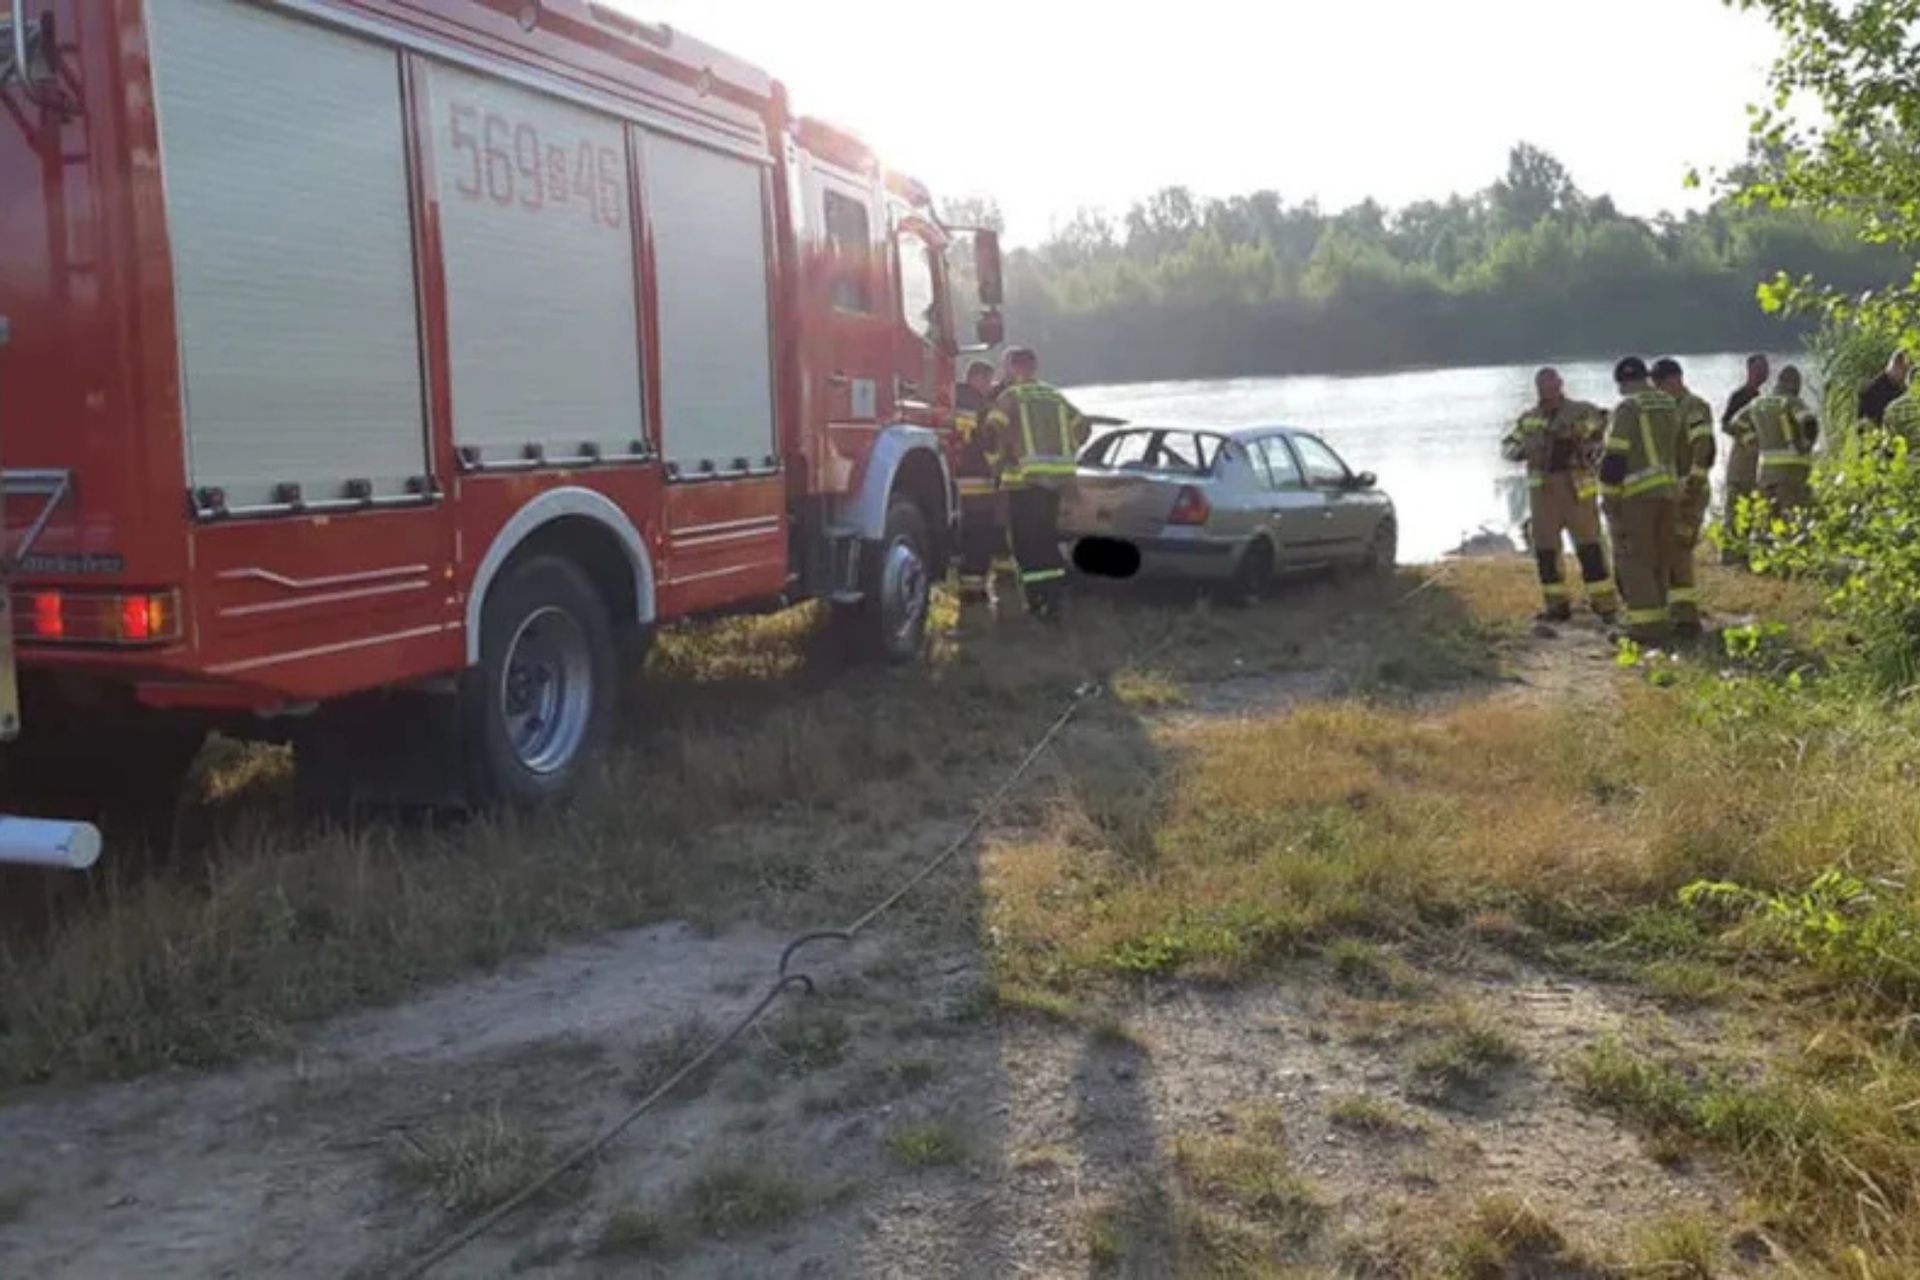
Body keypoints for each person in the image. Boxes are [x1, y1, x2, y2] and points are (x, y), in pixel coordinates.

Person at [1500, 367, 1618, 623]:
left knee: (1590, 549)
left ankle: (1605, 605)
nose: (1547, 391)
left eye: (1552, 385)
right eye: (1542, 386)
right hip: (1543, 495)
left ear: (1561, 384)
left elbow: (1603, 421)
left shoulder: (1580, 410)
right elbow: (1507, 447)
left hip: (1577, 491)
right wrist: (1524, 450)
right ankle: (1556, 606)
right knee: (1546, 552)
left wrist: (1575, 433)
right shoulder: (1529, 418)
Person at [985, 347, 1090, 617]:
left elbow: (991, 432)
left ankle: (1036, 601)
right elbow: (1083, 426)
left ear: (1013, 368)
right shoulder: (1055, 396)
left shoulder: (1011, 397)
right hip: (1055, 482)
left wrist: (996, 464)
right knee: (1046, 538)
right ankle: (1054, 598)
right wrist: (1066, 451)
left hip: (1023, 482)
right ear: (1035, 367)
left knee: (1025, 544)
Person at [1598, 357, 1681, 645]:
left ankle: (1645, 629)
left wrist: (1608, 500)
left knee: (1634, 560)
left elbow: (1615, 458)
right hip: (1668, 493)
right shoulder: (1668, 403)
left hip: (1637, 495)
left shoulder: (1628, 408)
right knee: (1660, 558)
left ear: (1622, 382)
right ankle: (1662, 619)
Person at [1651, 358, 1715, 636]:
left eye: (1660, 386)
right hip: (1668, 491)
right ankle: (1674, 611)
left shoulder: (1693, 407)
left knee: (1679, 548)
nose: (1658, 392)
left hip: (1687, 490)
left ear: (1673, 381)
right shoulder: (1665, 409)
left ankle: (1687, 619)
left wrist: (1694, 482)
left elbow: (1704, 445)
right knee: (1668, 549)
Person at [1731, 365, 1819, 520]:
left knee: (1770, 520)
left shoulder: (1757, 403)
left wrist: (1752, 441)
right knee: (1795, 520)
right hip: (1792, 472)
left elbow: (1736, 423)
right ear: (1795, 385)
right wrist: (1807, 445)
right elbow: (1809, 421)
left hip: (1765, 474)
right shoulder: (1790, 401)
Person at [951, 360, 1003, 601]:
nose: (989, 386)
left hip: (963, 477)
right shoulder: (971, 402)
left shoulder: (959, 397)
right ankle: (974, 588)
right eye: (987, 381)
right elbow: (973, 438)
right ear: (977, 378)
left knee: (970, 533)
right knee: (979, 532)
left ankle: (970, 585)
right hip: (974, 478)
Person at [1719, 353, 1769, 560]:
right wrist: (1747, 438)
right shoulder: (1740, 396)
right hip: (1741, 459)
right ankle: (1729, 553)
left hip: (1756, 461)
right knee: (1734, 505)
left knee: (1750, 505)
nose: (1764, 372)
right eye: (1760, 369)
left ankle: (1745, 551)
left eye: (1766, 369)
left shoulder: (1761, 398)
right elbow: (1725, 424)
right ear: (1750, 371)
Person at [1857, 349, 1910, 427]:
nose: (1905, 375)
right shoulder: (1873, 389)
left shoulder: (1898, 387)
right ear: (1896, 366)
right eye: (1905, 370)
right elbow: (1864, 419)